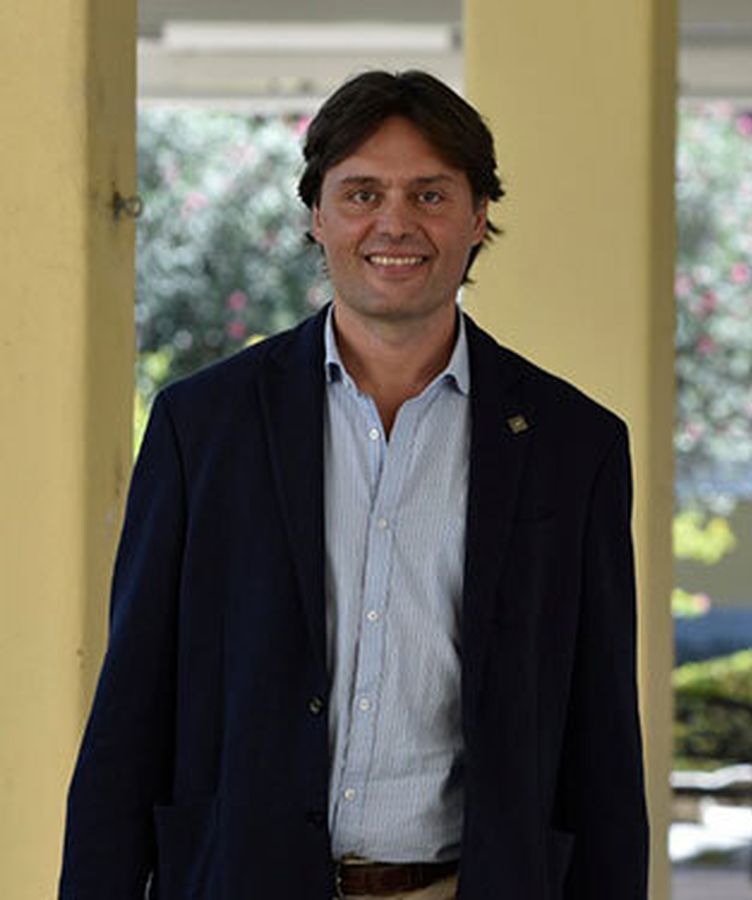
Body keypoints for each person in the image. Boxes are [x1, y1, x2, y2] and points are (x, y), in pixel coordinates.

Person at [60, 70, 647, 899]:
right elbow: (130, 715)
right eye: (362, 193)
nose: (395, 223)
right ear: (318, 217)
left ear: (479, 217)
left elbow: (602, 745)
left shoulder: (573, 446)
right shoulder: (204, 427)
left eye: (430, 195)